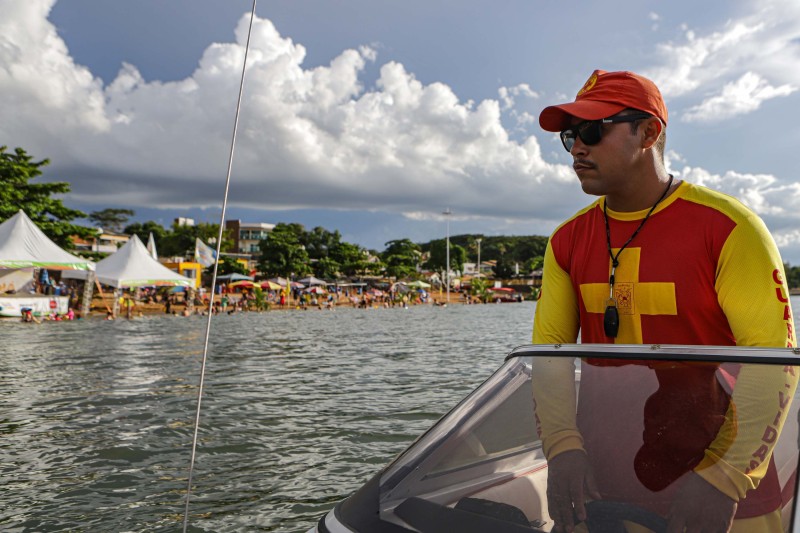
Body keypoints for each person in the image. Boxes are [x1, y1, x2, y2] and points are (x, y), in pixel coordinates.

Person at [531, 70, 797, 532]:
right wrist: (562, 448)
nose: (576, 148)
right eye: (570, 136)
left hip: (726, 495)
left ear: (649, 132)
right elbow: (548, 356)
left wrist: (723, 477)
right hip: (603, 485)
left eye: (591, 131)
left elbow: (775, 360)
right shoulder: (566, 241)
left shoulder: (730, 228)